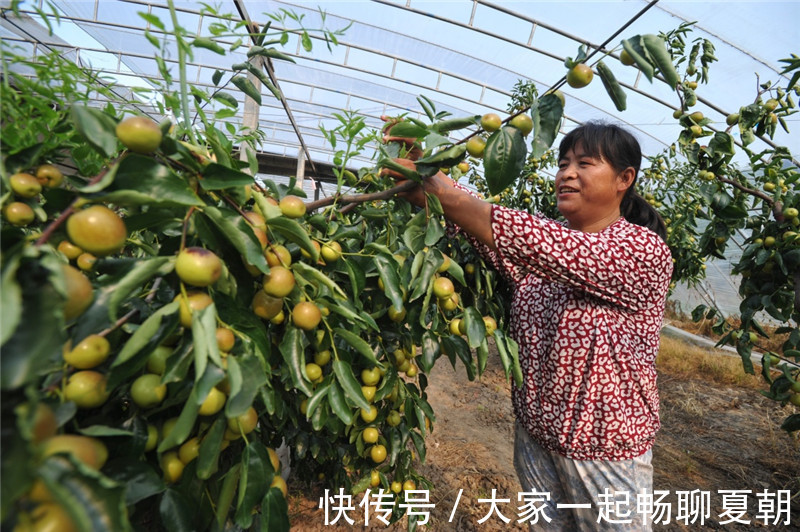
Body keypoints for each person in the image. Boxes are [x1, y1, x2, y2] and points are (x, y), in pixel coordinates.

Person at [382, 120, 673, 530]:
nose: (567, 173)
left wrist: (441, 193)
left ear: (625, 179)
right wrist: (431, 168)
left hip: (605, 452)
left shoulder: (640, 250)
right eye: (563, 163)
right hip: (536, 441)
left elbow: (539, 242)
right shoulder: (541, 258)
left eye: (585, 164)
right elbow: (493, 234)